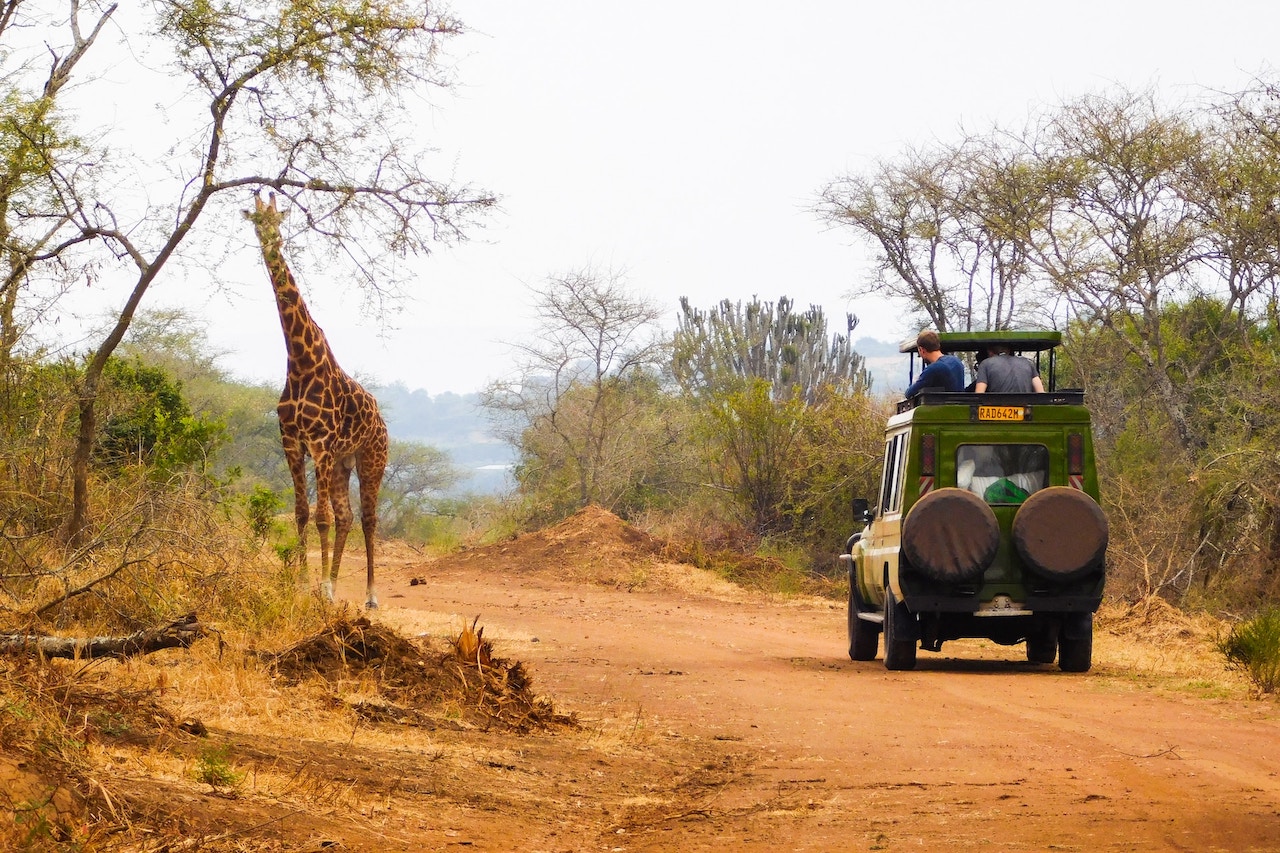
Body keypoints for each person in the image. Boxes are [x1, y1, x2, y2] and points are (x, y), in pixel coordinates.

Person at [905, 330, 964, 396]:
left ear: (921, 350)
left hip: (941, 402)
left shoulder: (933, 369)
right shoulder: (957, 362)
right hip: (961, 402)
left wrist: (915, 382)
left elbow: (909, 393)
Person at [974, 344, 1045, 393]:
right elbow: (1040, 392)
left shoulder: (985, 364)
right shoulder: (1028, 363)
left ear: (989, 351)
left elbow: (979, 394)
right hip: (1025, 408)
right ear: (1009, 350)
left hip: (996, 408)